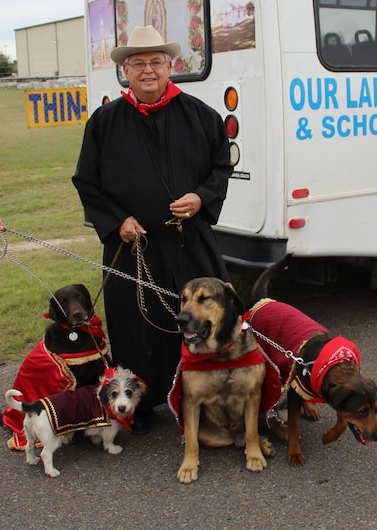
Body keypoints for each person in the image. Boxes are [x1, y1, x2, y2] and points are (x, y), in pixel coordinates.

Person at [72, 26, 233, 434]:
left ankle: (213, 404)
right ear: (126, 70)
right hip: (133, 248)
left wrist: (200, 198)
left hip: (189, 243)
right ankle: (140, 407)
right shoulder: (105, 123)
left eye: (156, 62)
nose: (148, 70)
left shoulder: (201, 115)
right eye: (138, 63)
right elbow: (87, 182)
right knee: (136, 330)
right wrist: (116, 222)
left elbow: (220, 168)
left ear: (170, 66)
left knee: (207, 322)